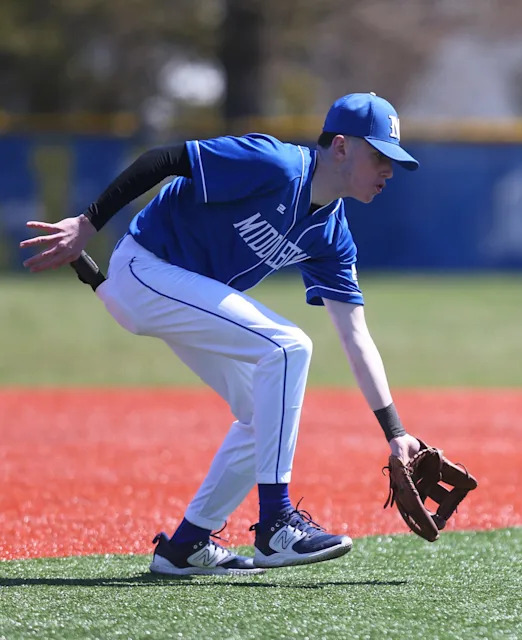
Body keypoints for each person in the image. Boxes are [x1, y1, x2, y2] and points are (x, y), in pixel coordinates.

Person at [20, 92, 424, 575]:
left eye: (394, 160)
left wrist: (396, 433)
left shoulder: (332, 236)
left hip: (179, 293)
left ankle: (185, 547)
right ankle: (276, 525)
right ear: (340, 147)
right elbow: (164, 159)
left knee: (264, 412)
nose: (389, 171)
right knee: (290, 347)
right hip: (144, 269)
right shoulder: (273, 165)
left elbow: (356, 336)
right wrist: (88, 224)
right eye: (380, 155)